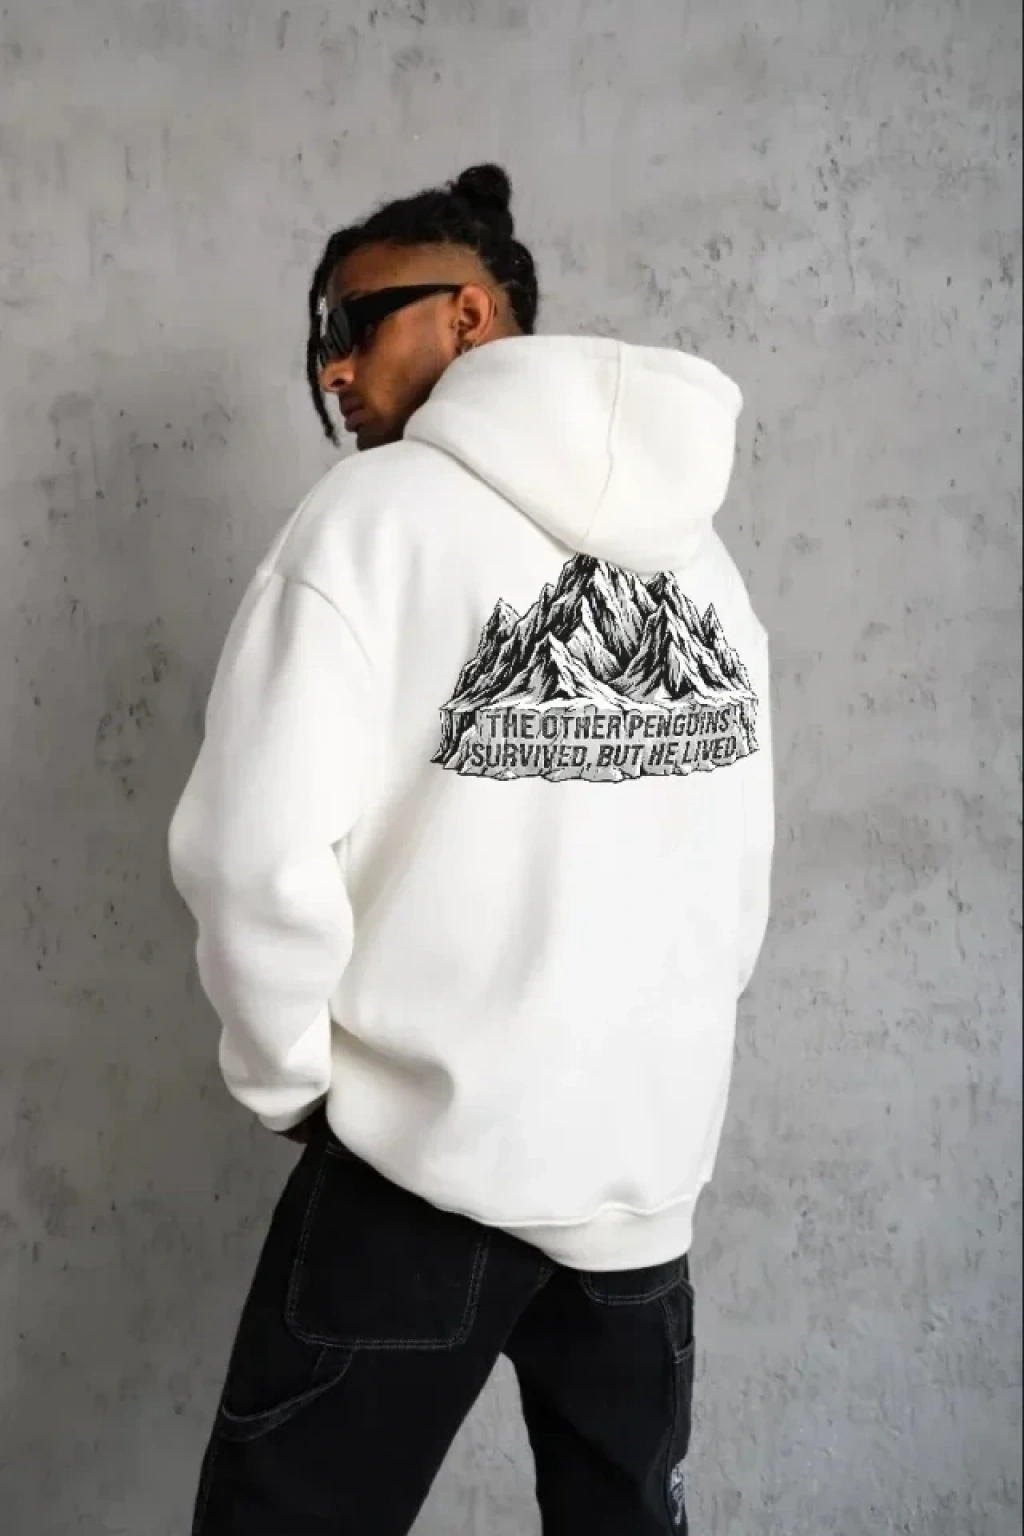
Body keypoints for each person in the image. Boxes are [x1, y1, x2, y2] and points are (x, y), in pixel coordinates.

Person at [169, 163, 774, 1536]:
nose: (330, 366)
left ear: (469, 315)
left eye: (352, 321)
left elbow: (251, 853)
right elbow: (739, 874)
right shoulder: (705, 567)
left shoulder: (369, 522)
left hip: (417, 1177)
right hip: (638, 1183)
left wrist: (292, 1083)